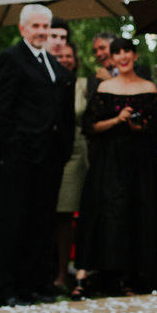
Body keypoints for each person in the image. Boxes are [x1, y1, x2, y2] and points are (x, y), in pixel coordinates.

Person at [0, 4, 74, 307]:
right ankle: (5, 289)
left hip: (50, 158)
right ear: (23, 29)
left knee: (41, 223)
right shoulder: (11, 58)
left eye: (44, 27)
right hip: (20, 157)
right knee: (13, 223)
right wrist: (14, 147)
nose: (41, 32)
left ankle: (35, 285)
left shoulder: (53, 64)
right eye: (35, 27)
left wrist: (63, 149)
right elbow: (0, 110)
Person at [75, 38, 157, 297]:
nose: (123, 56)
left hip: (142, 163)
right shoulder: (104, 87)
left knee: (140, 212)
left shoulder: (150, 88)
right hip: (109, 162)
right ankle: (107, 275)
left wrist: (141, 126)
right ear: (112, 58)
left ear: (135, 55)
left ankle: (135, 277)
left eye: (127, 51)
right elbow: (90, 127)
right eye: (118, 52)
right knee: (109, 214)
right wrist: (117, 119)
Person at [54, 41, 88, 294]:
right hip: (49, 151)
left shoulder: (84, 85)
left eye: (69, 55)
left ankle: (62, 272)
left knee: (66, 213)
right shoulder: (48, 82)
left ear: (75, 59)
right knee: (49, 213)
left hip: (76, 153)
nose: (65, 59)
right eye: (60, 55)